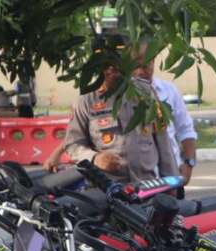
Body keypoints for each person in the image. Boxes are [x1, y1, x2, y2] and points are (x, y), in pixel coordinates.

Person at [60, 35, 179, 183]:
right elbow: (73, 144)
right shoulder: (86, 101)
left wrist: (172, 181)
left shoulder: (146, 92)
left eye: (117, 66)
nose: (112, 71)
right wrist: (95, 158)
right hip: (106, 187)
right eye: (107, 66)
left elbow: (163, 140)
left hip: (146, 185)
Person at [133, 43, 198, 190]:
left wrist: (189, 164)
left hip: (171, 178)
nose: (141, 71)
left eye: (145, 65)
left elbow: (186, 130)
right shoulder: (124, 98)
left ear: (153, 61)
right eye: (136, 66)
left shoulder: (169, 91)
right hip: (141, 182)